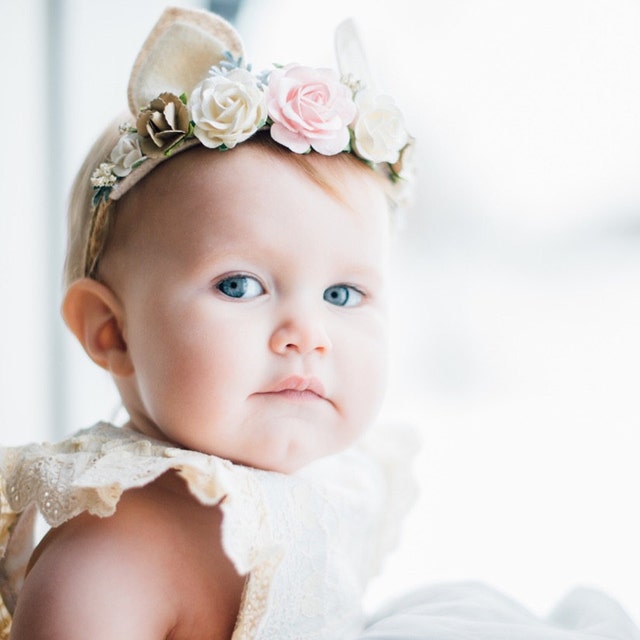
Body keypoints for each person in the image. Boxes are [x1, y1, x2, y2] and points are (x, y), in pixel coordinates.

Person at [0, 6, 638, 640]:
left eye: (341, 293)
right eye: (240, 285)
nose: (308, 333)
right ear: (111, 331)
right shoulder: (110, 557)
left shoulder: (309, 495)